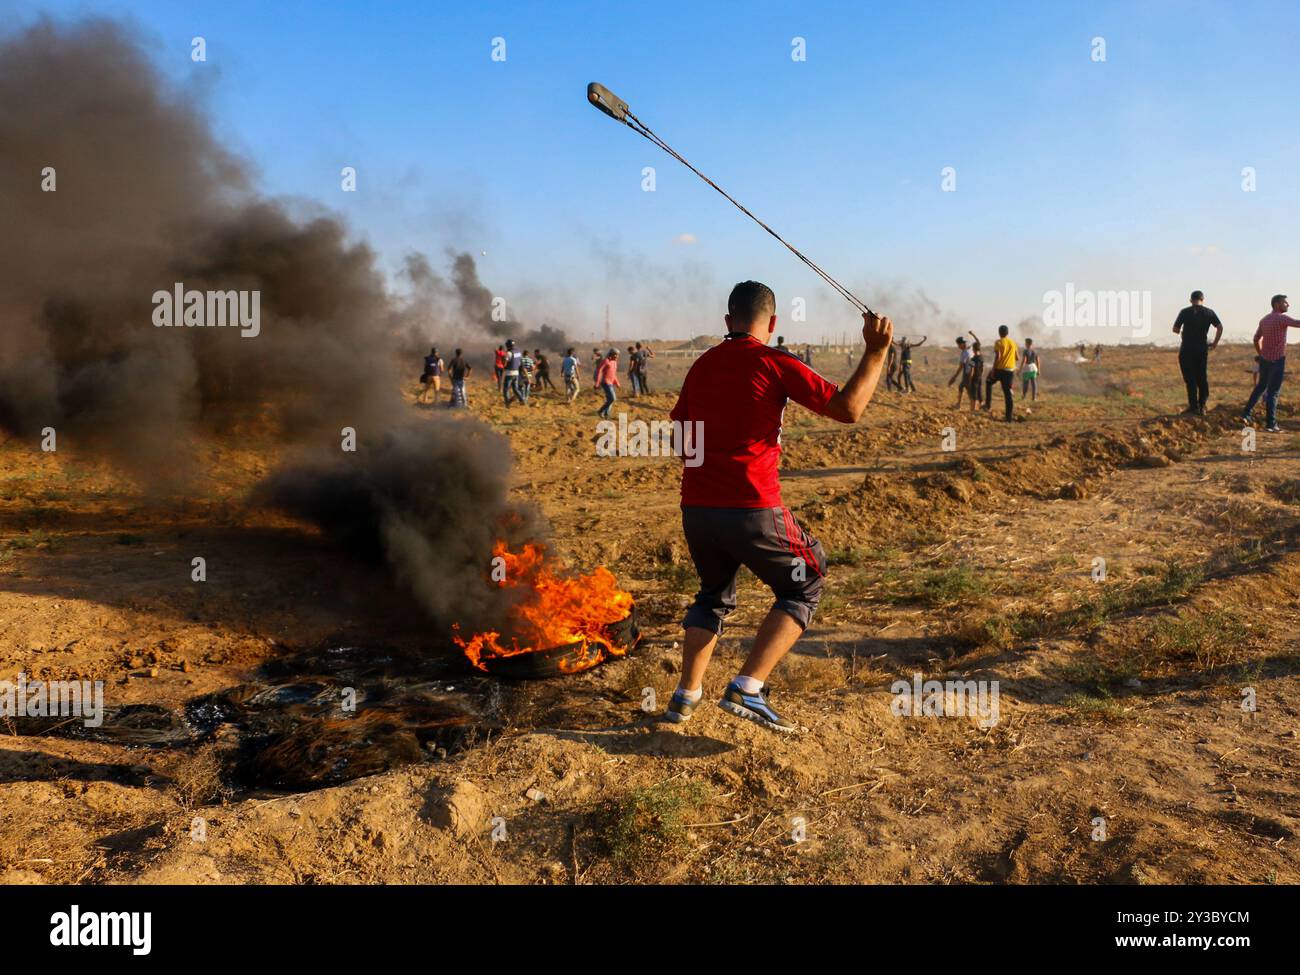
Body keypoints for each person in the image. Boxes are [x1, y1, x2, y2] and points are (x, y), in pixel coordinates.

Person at [663, 280, 892, 733]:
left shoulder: (701, 365)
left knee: (713, 596)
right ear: (772, 323)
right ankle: (748, 687)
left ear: (728, 322)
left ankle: (684, 698)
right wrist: (877, 352)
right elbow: (848, 409)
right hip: (752, 508)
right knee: (806, 581)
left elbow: (681, 439)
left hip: (697, 510)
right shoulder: (774, 360)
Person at [1239, 294, 1298, 432]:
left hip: (1265, 360)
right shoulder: (1282, 318)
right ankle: (1271, 424)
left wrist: (1261, 354)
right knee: (1273, 392)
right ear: (1277, 304)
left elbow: (1256, 338)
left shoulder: (1264, 320)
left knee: (1260, 387)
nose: (1287, 305)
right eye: (1285, 303)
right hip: (1278, 360)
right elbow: (1298, 323)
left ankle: (1246, 414)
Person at [1172, 290, 1223, 416]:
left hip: (1187, 349)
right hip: (1201, 349)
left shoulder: (1184, 312)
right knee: (1202, 377)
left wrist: (1184, 333)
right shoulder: (1209, 312)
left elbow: (1175, 329)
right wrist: (1215, 343)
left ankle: (1193, 406)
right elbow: (1220, 327)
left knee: (1190, 378)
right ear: (1203, 299)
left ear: (1191, 300)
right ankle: (1202, 406)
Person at [982, 325, 1017, 421]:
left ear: (999, 333)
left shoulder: (998, 342)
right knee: (1007, 394)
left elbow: (998, 356)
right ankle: (1008, 418)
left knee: (989, 382)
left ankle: (988, 405)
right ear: (1007, 333)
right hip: (1010, 371)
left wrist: (993, 369)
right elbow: (1017, 357)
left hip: (1000, 370)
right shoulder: (1013, 343)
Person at [947, 336, 974, 408]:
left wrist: (954, 377)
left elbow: (961, 366)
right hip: (969, 373)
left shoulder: (965, 353)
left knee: (969, 390)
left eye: (959, 345)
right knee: (962, 387)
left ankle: (971, 407)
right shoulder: (969, 350)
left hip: (968, 373)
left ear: (962, 344)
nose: (958, 346)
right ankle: (959, 404)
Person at [595, 348, 620, 418]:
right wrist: (597, 382)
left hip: (611, 383)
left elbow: (614, 374)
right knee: (613, 398)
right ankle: (600, 411)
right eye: (615, 355)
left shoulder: (614, 362)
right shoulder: (606, 361)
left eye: (618, 355)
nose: (617, 356)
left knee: (610, 399)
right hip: (606, 382)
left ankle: (606, 414)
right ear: (611, 354)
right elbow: (599, 371)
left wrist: (617, 383)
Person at [502, 340, 524, 407]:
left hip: (509, 373)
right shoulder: (518, 352)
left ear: (508, 345)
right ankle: (522, 400)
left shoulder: (509, 353)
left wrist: (503, 359)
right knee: (515, 388)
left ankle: (507, 404)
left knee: (506, 389)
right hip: (516, 373)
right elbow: (519, 363)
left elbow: (505, 363)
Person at [967, 332, 985, 413]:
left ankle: (973, 409)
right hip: (980, 377)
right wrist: (973, 334)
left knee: (974, 393)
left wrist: (970, 380)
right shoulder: (981, 357)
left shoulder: (972, 359)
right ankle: (982, 407)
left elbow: (972, 370)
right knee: (979, 392)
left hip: (974, 378)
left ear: (973, 349)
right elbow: (983, 367)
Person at [1019, 337, 1040, 402]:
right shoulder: (1035, 351)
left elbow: (1024, 360)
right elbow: (1038, 361)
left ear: (1026, 343)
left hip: (1027, 368)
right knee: (1034, 383)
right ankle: (1034, 398)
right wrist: (1039, 370)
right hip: (1033, 368)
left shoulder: (1025, 351)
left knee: (1026, 383)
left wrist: (1020, 369)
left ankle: (1024, 397)